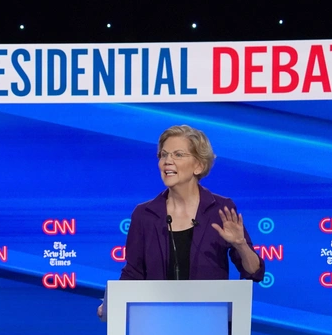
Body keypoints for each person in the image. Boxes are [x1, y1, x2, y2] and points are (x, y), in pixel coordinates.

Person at [99, 125, 264, 317]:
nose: (167, 161)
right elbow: (133, 274)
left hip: (210, 325)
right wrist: (113, 305)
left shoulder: (220, 209)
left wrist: (240, 244)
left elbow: (254, 272)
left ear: (198, 165)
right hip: (155, 324)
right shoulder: (145, 214)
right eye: (163, 155)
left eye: (178, 155)